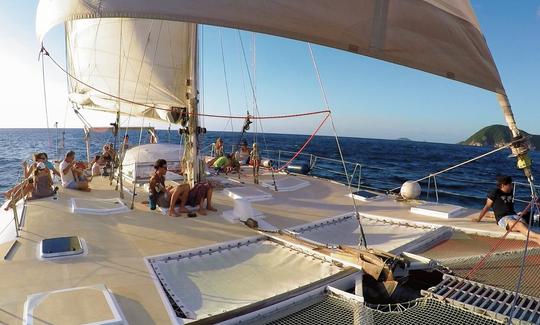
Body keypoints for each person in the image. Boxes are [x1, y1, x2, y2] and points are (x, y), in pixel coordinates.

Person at [473, 175, 540, 245]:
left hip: (514, 215)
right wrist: (478, 219)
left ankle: (538, 240)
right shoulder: (495, 192)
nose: (512, 186)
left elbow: (506, 206)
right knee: (519, 225)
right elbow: (487, 206)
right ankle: (538, 236)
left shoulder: (510, 192)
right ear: (503, 185)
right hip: (503, 218)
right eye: (510, 184)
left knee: (524, 225)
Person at [150, 159, 217, 216]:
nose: (166, 170)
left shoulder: (161, 177)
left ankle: (182, 207)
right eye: (165, 168)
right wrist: (173, 191)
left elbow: (162, 189)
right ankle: (171, 210)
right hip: (161, 201)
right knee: (179, 187)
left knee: (186, 186)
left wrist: (170, 189)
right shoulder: (154, 179)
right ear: (159, 168)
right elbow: (160, 191)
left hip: (163, 197)